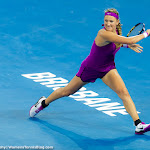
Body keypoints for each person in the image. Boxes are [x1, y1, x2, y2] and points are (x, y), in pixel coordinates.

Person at [29, 8, 150, 134]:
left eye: (111, 21)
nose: (108, 24)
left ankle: (138, 124)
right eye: (106, 21)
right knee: (67, 91)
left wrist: (126, 45)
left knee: (123, 93)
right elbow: (129, 39)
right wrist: (146, 33)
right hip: (90, 68)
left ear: (117, 22)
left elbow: (119, 42)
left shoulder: (116, 33)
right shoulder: (103, 33)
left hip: (107, 68)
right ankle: (43, 103)